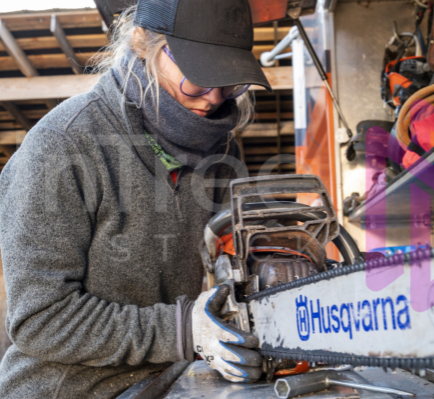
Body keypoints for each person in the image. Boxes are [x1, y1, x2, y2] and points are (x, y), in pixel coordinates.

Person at [0, 0, 272, 397]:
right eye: (199, 76)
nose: (215, 97)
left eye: (229, 81)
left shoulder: (220, 151)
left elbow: (226, 258)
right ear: (143, 42)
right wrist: (182, 330)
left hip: (171, 379)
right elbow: (39, 319)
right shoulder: (63, 144)